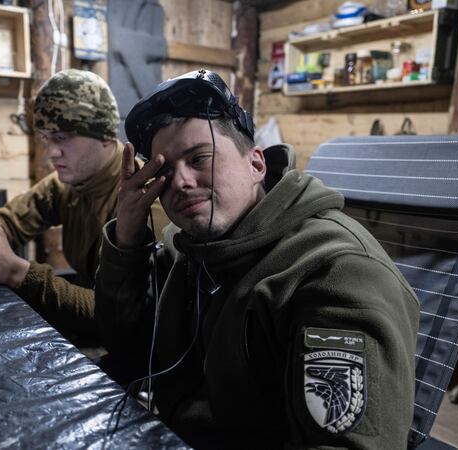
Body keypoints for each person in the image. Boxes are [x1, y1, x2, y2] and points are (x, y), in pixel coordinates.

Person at [95, 69, 420, 449]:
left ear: (256, 165)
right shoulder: (184, 250)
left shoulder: (336, 271)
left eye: (199, 158)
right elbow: (127, 348)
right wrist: (128, 238)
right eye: (165, 170)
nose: (181, 182)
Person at [0, 69, 167, 345]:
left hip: (132, 350)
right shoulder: (67, 184)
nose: (51, 152)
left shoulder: (143, 201)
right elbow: (9, 221)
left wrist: (17, 272)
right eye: (46, 138)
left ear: (103, 135)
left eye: (62, 137)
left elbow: (127, 321)